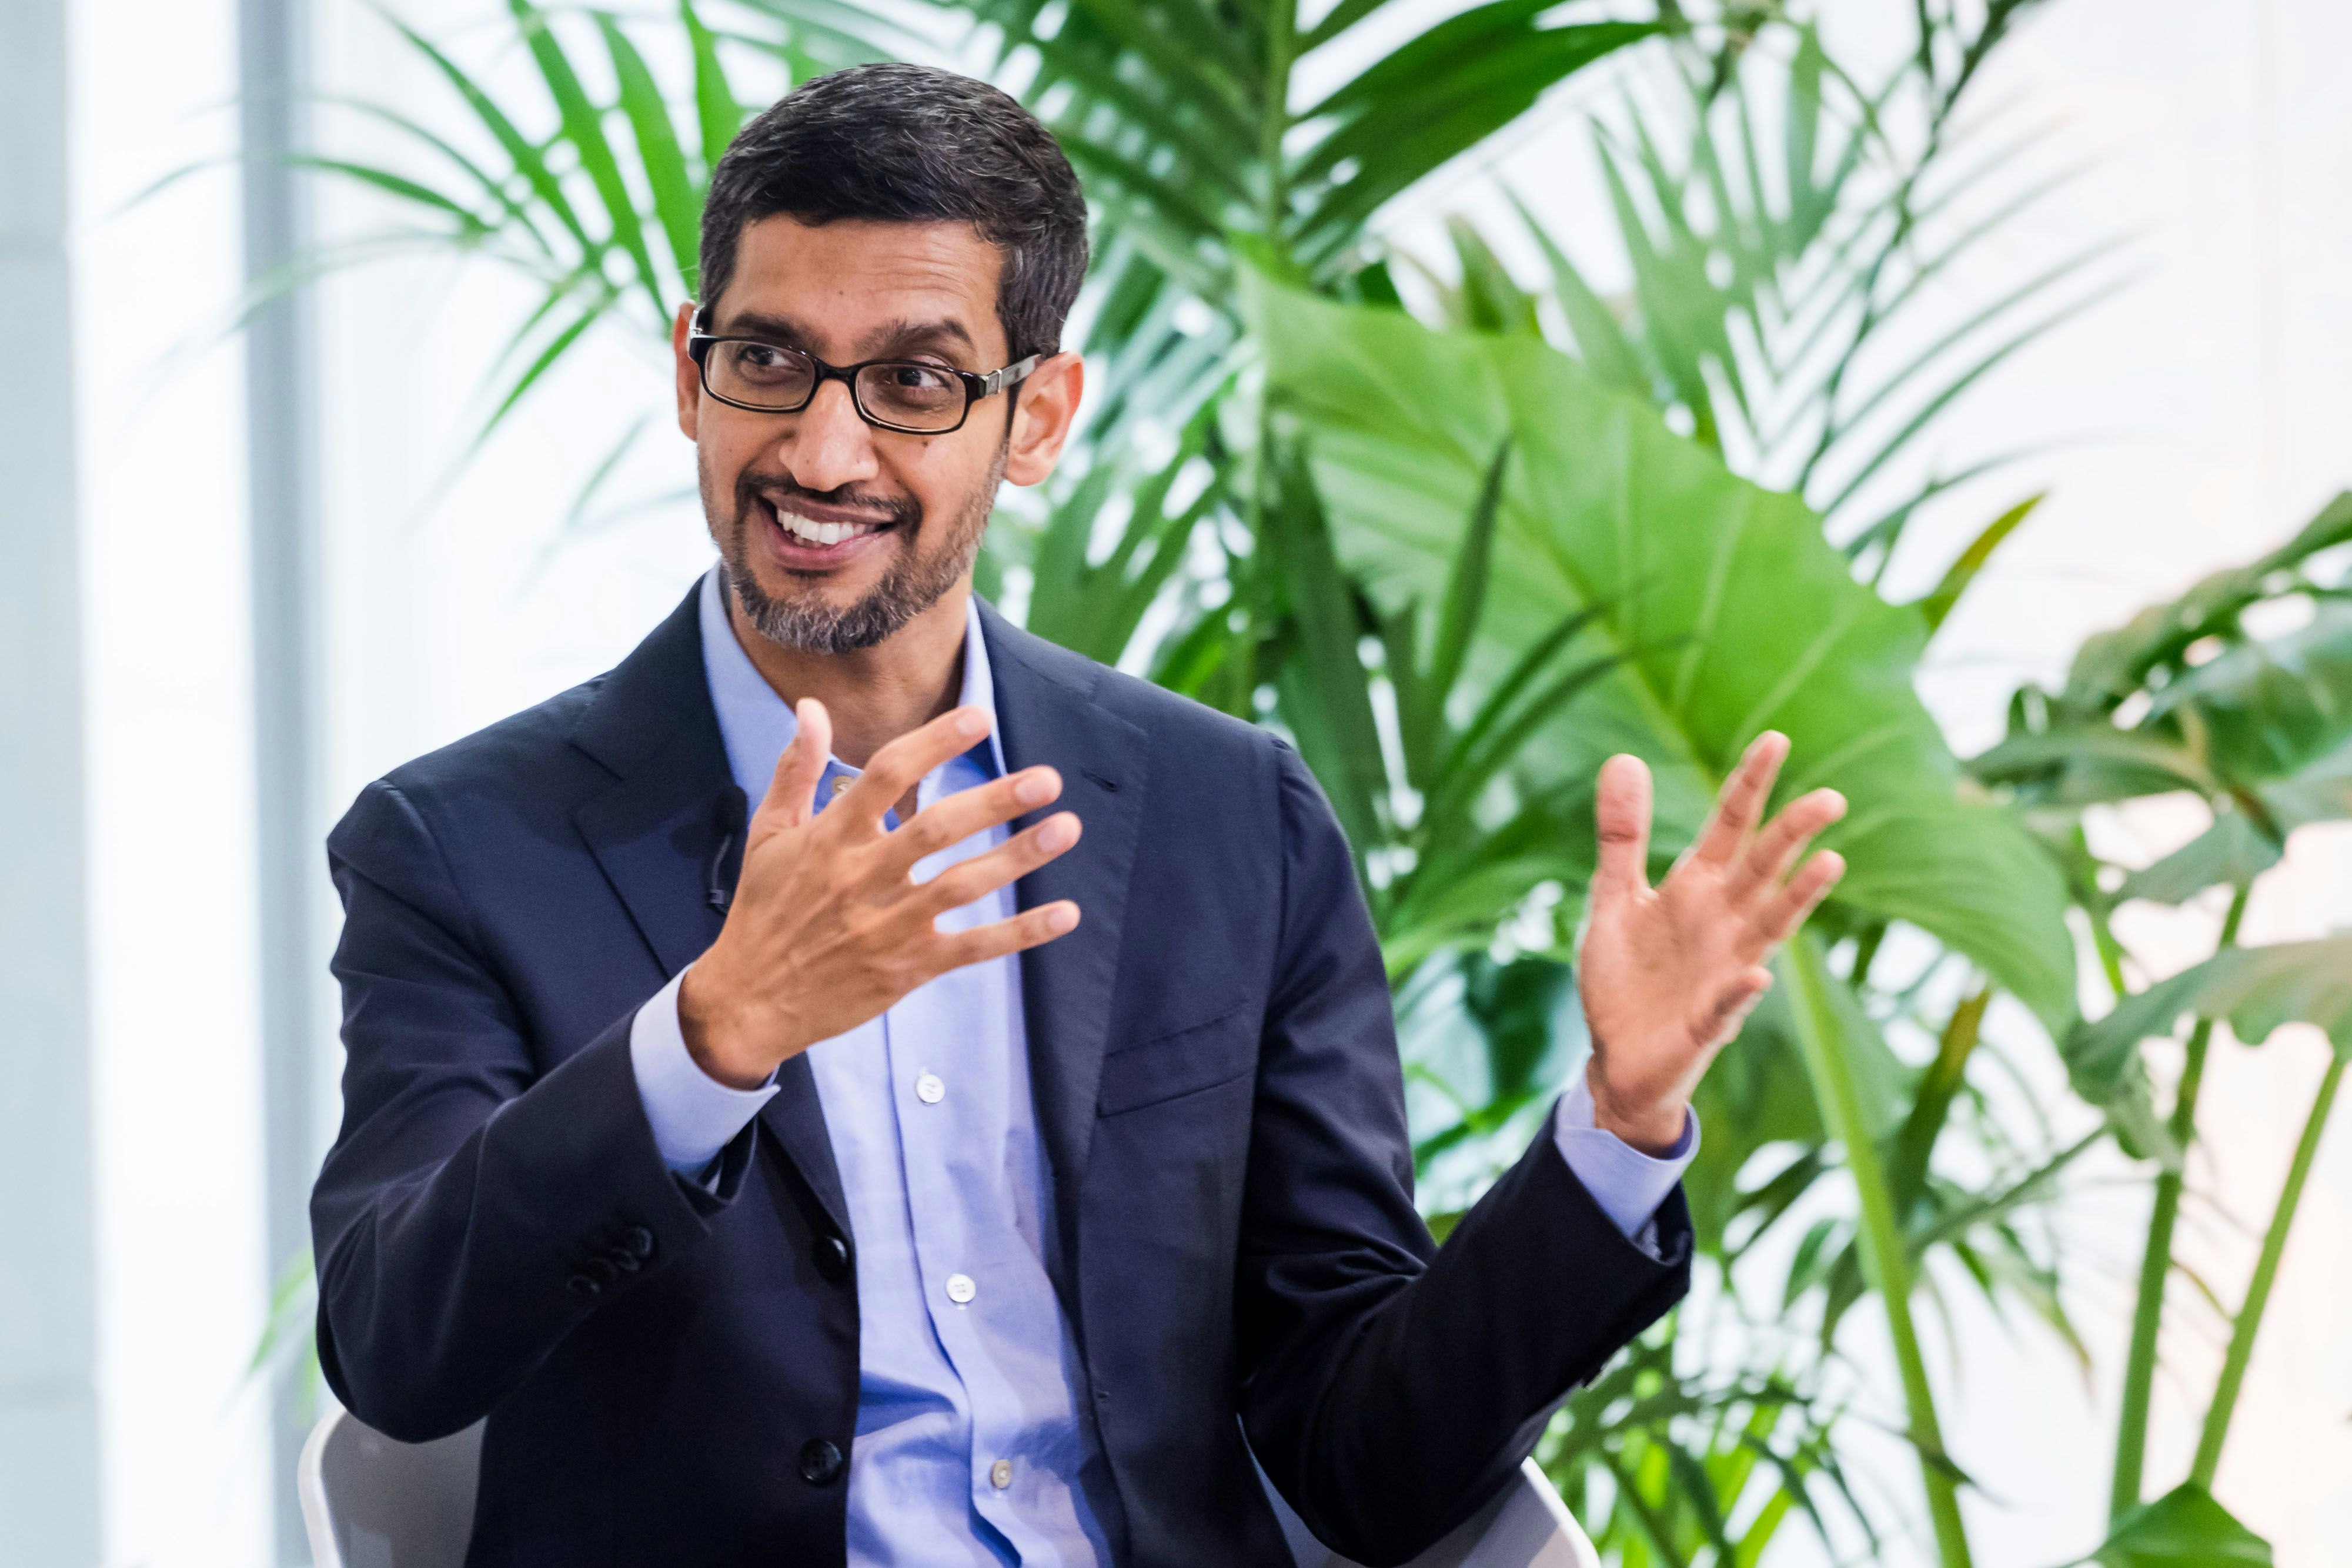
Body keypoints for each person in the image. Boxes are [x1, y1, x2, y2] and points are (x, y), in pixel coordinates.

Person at [309, 62, 1847, 1568]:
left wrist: (1622, 1126)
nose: (820, 451)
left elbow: (1363, 1460)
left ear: (1037, 418)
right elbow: (395, 1345)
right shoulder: (463, 847)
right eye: (768, 360)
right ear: (689, 370)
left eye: (912, 382)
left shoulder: (1224, 817)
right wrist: (710, 1036)